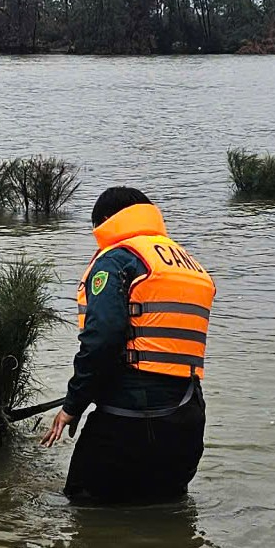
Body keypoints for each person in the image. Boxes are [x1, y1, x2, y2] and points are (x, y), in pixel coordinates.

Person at [42, 187, 212, 505]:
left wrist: (72, 405)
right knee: (166, 512)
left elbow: (103, 339)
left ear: (107, 221)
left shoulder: (116, 259)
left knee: (84, 510)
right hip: (188, 420)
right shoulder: (186, 263)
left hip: (129, 420)